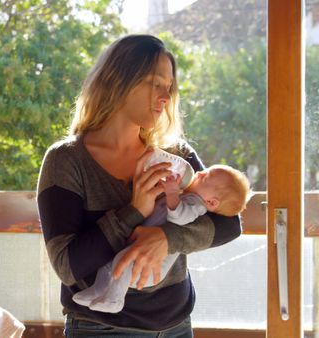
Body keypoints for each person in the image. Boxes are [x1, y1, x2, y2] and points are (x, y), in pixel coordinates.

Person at [36, 34, 242, 337]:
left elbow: (230, 223)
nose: (165, 97)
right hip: (100, 329)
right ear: (118, 80)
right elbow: (68, 266)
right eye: (155, 83)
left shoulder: (177, 155)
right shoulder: (66, 161)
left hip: (176, 326)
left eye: (169, 88)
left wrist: (165, 237)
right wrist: (134, 211)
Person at [72, 160, 251, 313]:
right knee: (111, 263)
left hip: (150, 267)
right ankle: (97, 291)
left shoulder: (196, 205)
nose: (199, 172)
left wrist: (172, 193)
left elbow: (179, 215)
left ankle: (114, 300)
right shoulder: (189, 192)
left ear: (212, 202)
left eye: (205, 177)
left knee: (120, 261)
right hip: (138, 250)